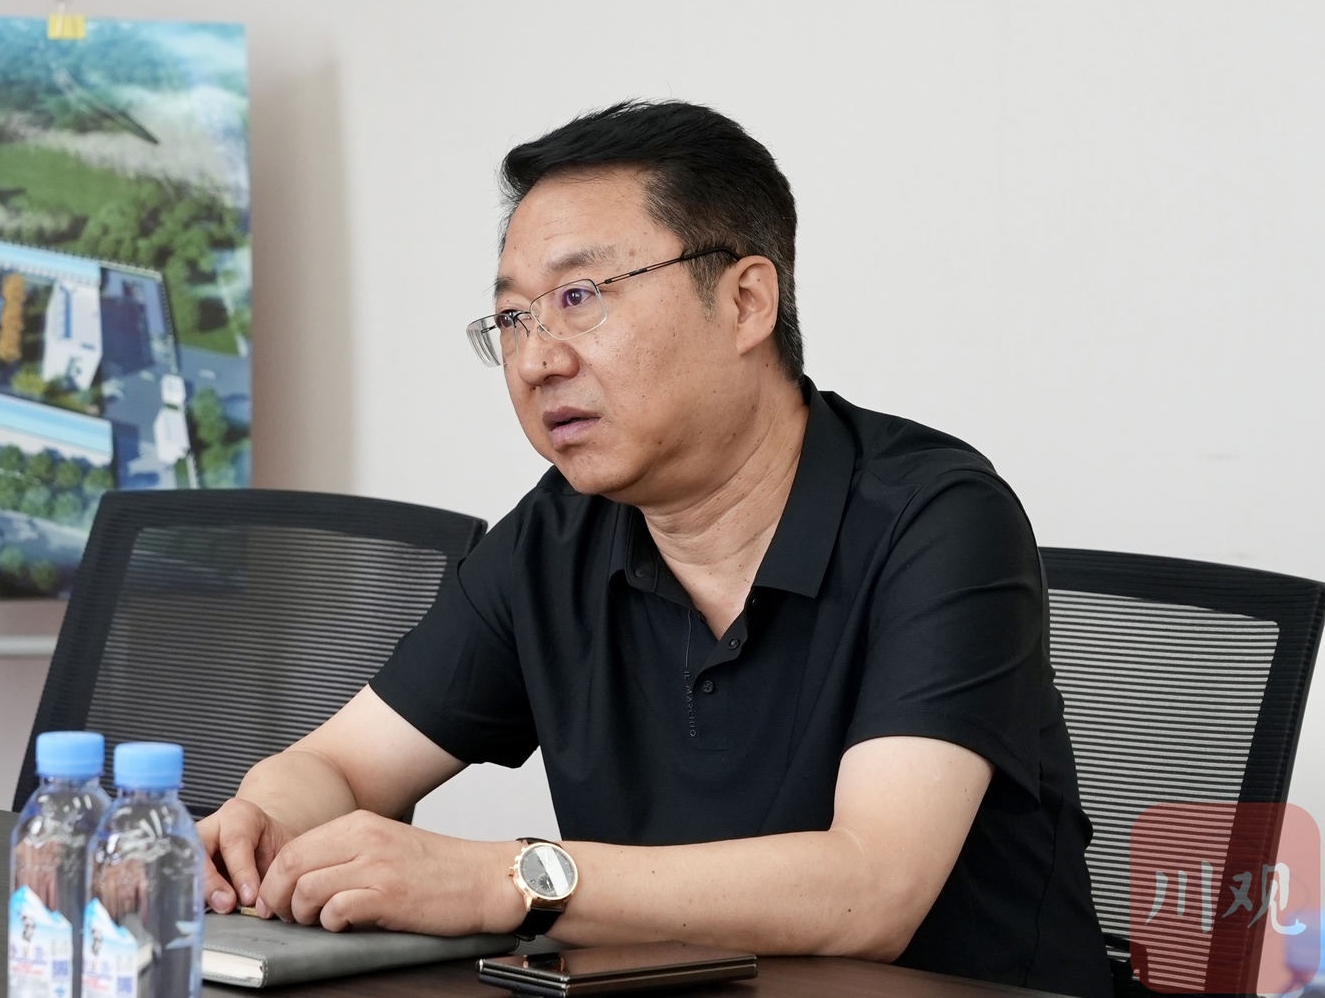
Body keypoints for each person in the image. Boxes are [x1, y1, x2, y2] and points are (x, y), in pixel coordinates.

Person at [198, 100, 1110, 997]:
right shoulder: (555, 536)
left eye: (579, 297)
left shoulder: (941, 520)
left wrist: (503, 879)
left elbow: (870, 889)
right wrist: (261, 819)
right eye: (512, 318)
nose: (536, 360)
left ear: (746, 301)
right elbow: (339, 765)